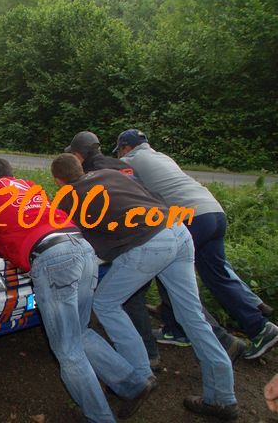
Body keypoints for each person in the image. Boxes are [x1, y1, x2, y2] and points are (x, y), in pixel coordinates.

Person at [0, 158, 156, 422]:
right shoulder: (30, 188)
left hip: (54, 262)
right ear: (11, 175)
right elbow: (27, 228)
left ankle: (100, 417)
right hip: (83, 250)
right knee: (80, 331)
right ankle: (133, 384)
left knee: (68, 351)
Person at [51, 153, 239, 420]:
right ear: (80, 167)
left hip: (150, 243)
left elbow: (79, 244)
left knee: (105, 303)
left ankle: (139, 377)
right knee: (192, 316)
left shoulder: (69, 199)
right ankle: (222, 397)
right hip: (177, 230)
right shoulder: (111, 174)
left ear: (58, 181)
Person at [64, 131, 248, 366]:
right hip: (169, 227)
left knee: (127, 297)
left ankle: (146, 357)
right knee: (177, 295)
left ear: (79, 155)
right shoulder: (119, 164)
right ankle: (221, 342)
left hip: (141, 239)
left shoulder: (91, 175)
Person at [115, 129, 277, 360]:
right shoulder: (161, 156)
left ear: (125, 147)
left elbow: (116, 182)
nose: (120, 155)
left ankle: (194, 333)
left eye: (120, 150)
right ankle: (260, 328)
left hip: (191, 217)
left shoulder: (130, 160)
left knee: (167, 273)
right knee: (216, 275)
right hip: (213, 211)